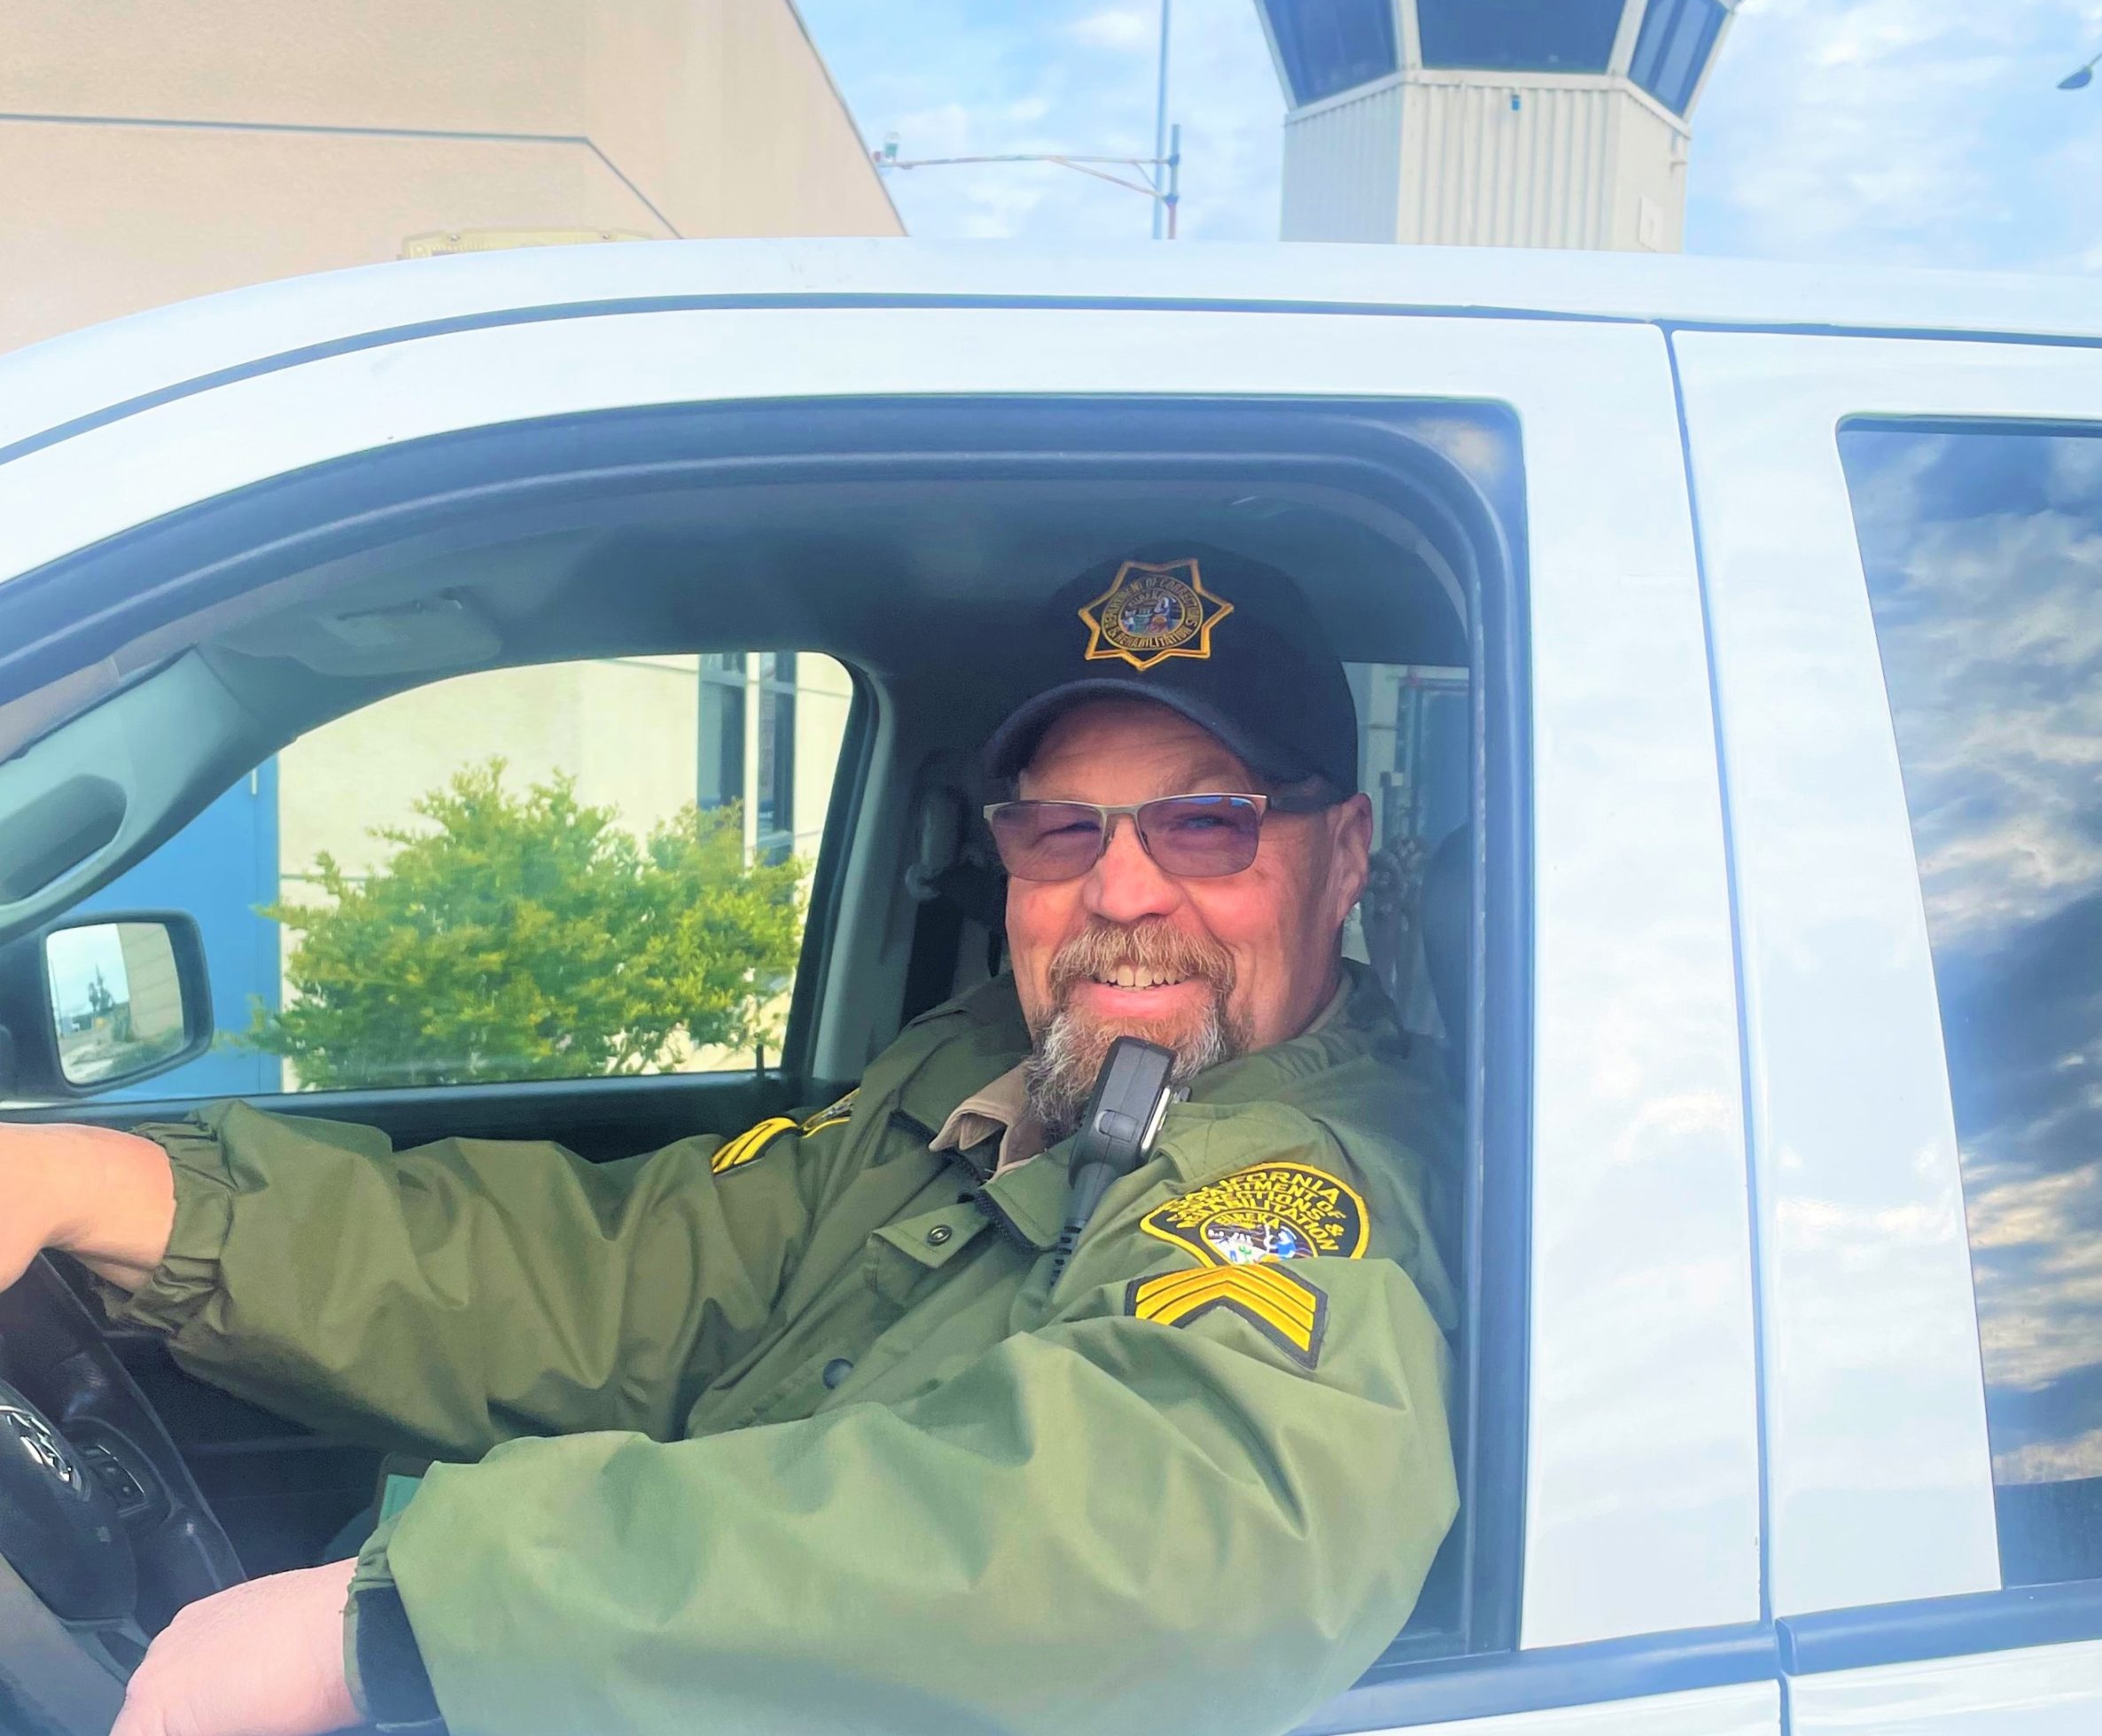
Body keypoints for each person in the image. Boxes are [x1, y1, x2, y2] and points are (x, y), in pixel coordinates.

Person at [0, 549, 1460, 1736]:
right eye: (1061, 833)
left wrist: (396, 1621)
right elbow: (623, 1270)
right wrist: (122, 1190)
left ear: (1344, 856)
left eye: (1207, 827)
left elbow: (1158, 1543)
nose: (1122, 890)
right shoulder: (979, 1078)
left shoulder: (1309, 1185)